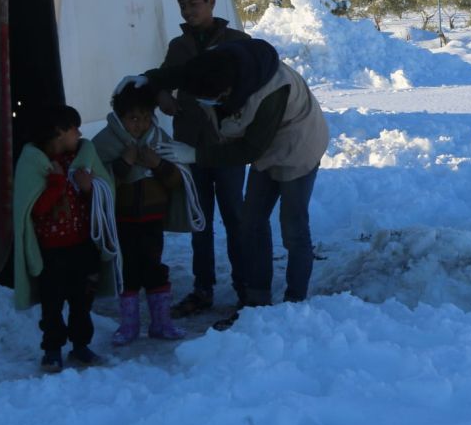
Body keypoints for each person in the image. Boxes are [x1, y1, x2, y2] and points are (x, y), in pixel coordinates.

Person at [130, 38, 328, 328]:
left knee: (293, 228)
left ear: (226, 90)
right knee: (252, 222)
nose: (206, 103)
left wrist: (196, 154)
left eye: (210, 99)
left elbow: (249, 150)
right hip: (265, 147)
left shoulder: (272, 92)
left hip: (298, 146)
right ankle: (256, 301)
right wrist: (146, 79)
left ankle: (294, 305)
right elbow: (179, 74)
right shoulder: (213, 66)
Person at [159, 0, 250, 318]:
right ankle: (203, 289)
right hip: (190, 145)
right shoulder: (178, 47)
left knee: (235, 218)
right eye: (182, 6)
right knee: (200, 221)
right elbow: (163, 81)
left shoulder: (238, 41)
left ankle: (245, 287)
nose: (187, 11)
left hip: (226, 145)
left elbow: (254, 86)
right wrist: (163, 96)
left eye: (194, 4)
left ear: (212, 1)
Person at [12, 104, 116, 372]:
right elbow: (35, 210)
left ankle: (81, 345)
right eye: (74, 128)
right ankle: (52, 348)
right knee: (52, 304)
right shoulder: (34, 164)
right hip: (52, 252)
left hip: (83, 246)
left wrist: (90, 187)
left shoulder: (83, 157)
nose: (79, 133)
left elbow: (104, 194)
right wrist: (57, 184)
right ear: (58, 132)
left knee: (82, 302)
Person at [92, 82, 194, 343]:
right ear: (119, 117)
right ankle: (129, 326)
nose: (141, 124)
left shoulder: (160, 141)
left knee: (154, 268)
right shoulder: (105, 143)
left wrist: (157, 164)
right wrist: (125, 163)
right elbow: (102, 181)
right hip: (122, 219)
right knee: (127, 270)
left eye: (147, 118)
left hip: (152, 219)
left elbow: (177, 179)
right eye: (133, 119)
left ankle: (161, 323)